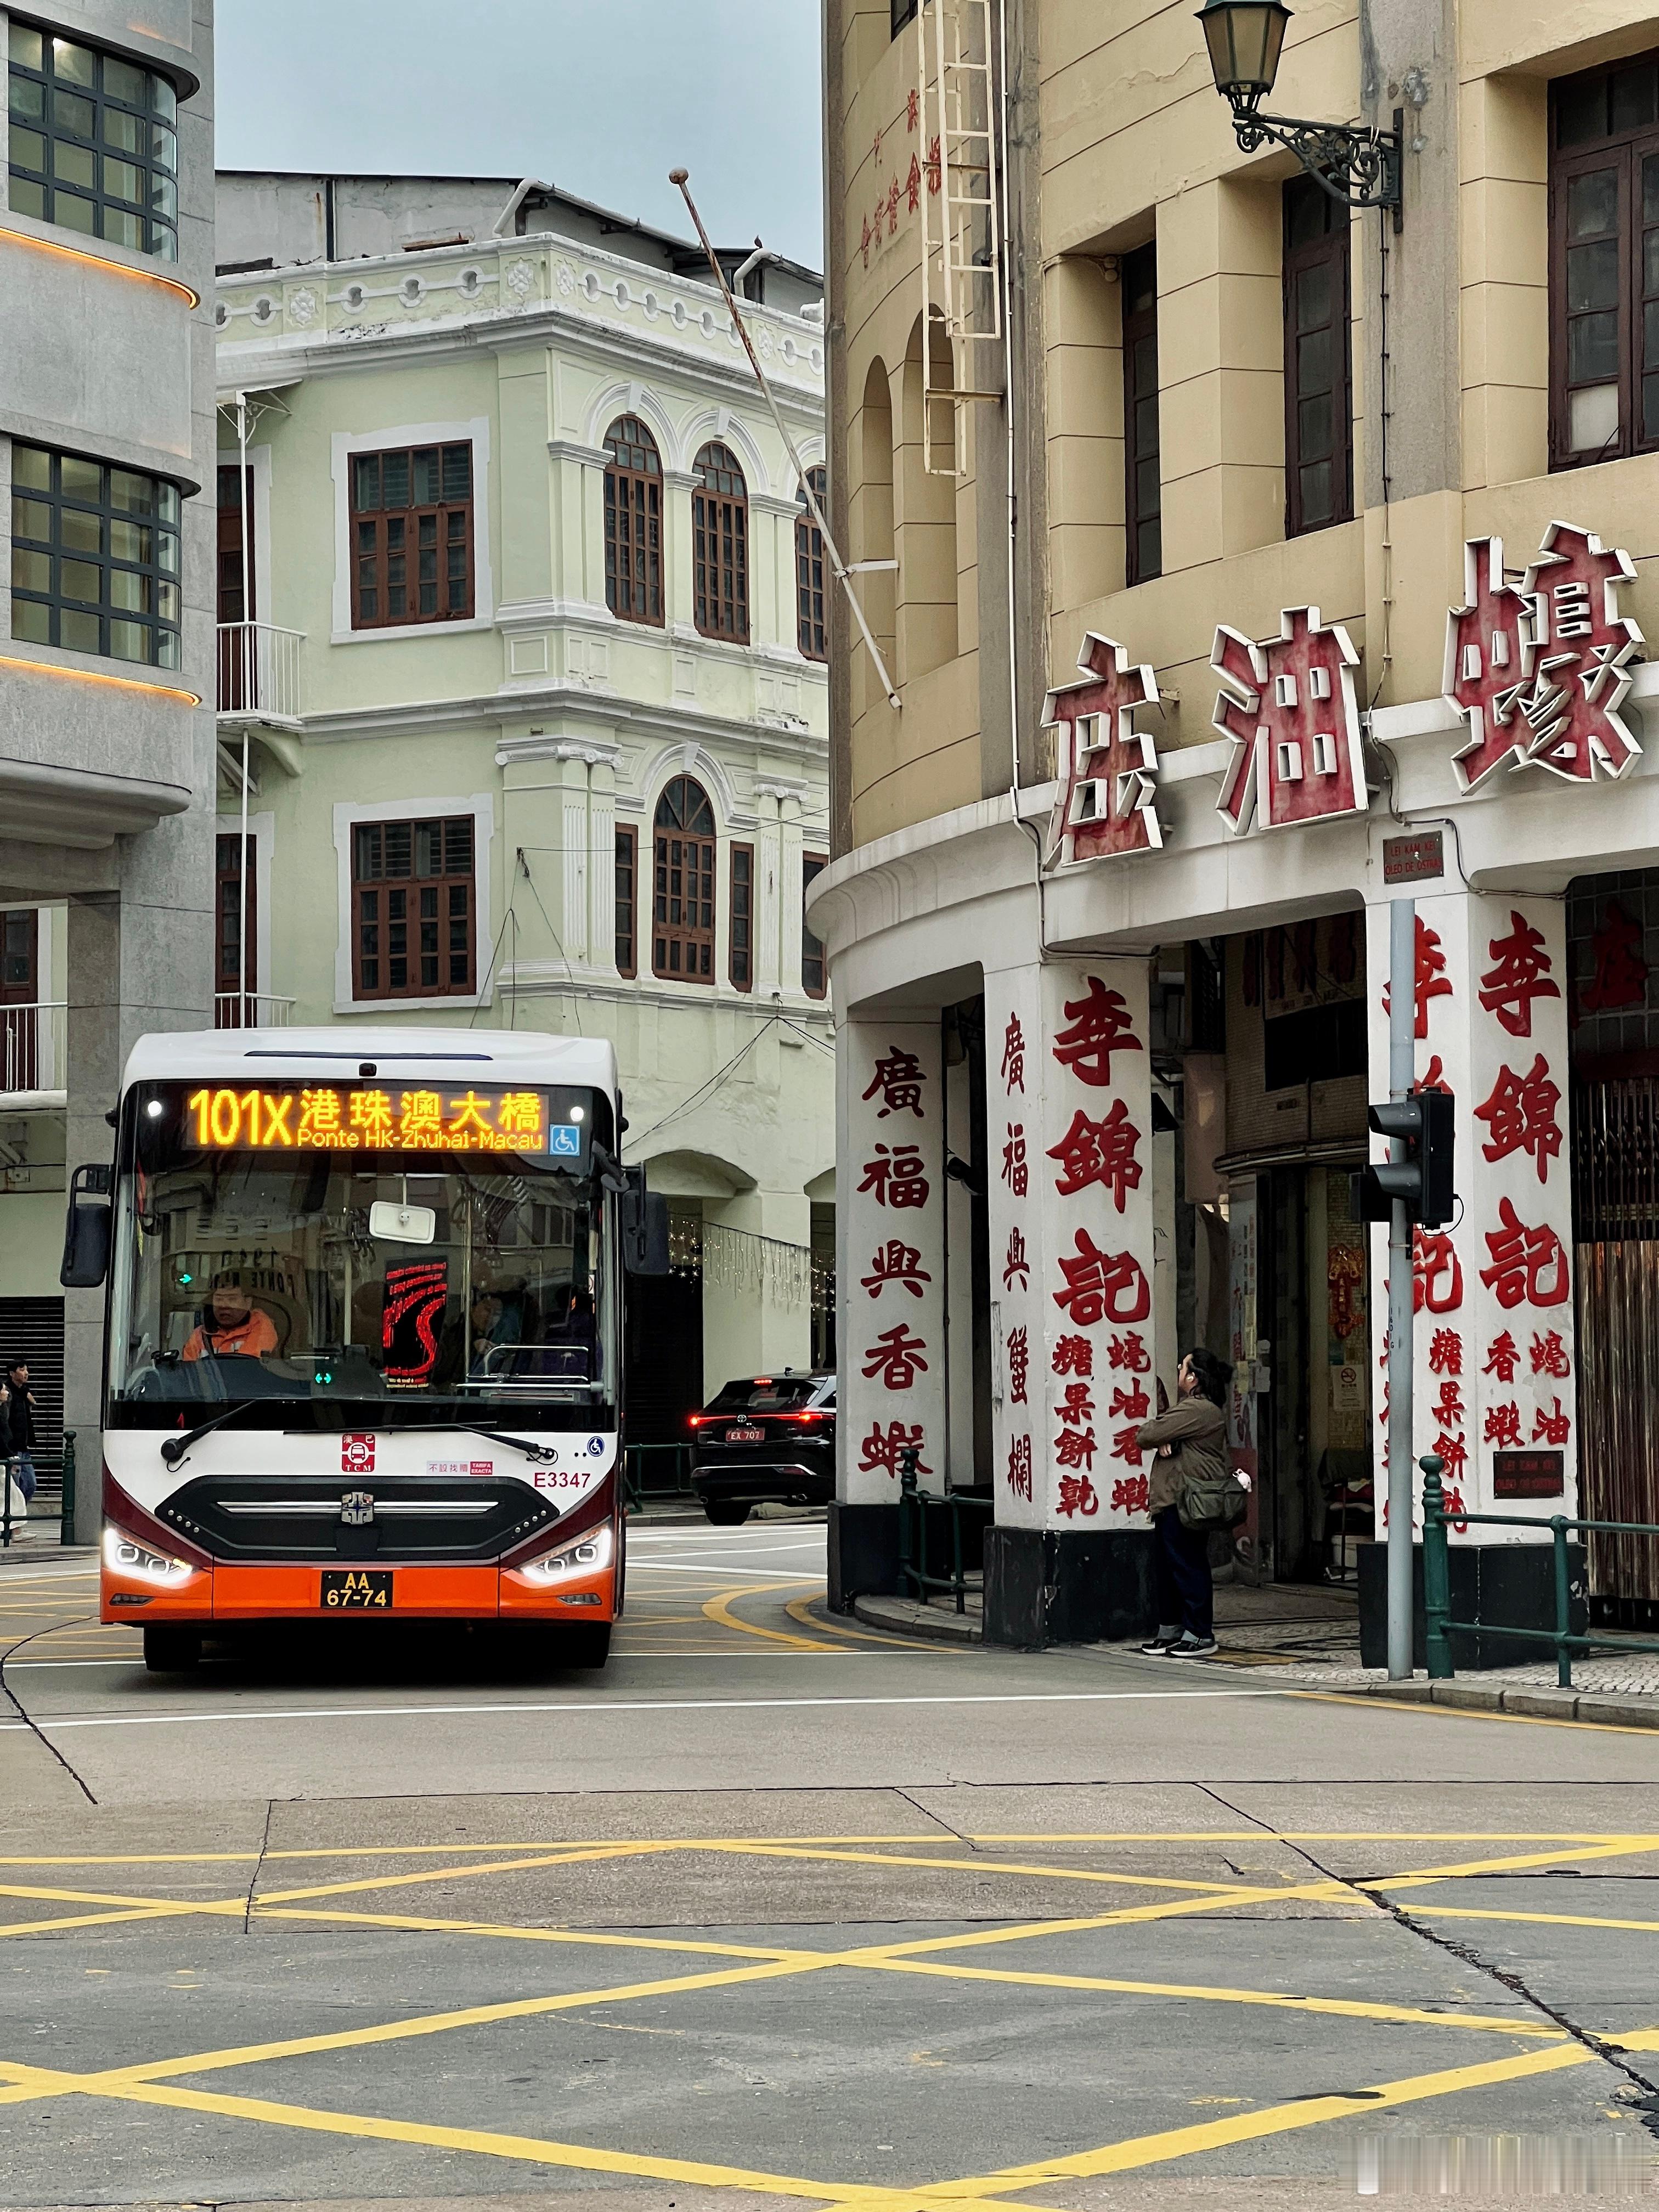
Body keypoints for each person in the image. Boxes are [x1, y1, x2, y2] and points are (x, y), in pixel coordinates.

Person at [1134, 1346, 1233, 1660]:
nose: (1179, 1371)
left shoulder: (1198, 1409)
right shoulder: (1193, 1411)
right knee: (1169, 1569)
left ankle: (1200, 1634)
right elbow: (1160, 1434)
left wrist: (1163, 1436)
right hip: (1173, 1500)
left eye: (1183, 1367)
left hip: (1187, 1502)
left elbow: (1146, 1434)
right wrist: (1167, 1437)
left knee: (1188, 1567)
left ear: (1194, 1377)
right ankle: (1172, 1630)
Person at [182, 1280, 279, 1362]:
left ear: (248, 1302)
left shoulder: (262, 1327)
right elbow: (189, 1372)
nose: (224, 1306)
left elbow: (249, 1367)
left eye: (232, 1299)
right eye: (219, 1299)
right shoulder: (200, 1335)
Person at [1, 1358, 38, 1533]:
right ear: (12, 1373)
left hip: (23, 1447)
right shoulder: (6, 1392)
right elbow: (4, 1421)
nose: (26, 1373)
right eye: (22, 1370)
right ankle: (11, 1527)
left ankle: (15, 1521)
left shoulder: (23, 1391)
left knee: (29, 1484)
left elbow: (33, 1405)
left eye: (27, 1370)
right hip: (11, 1448)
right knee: (12, 1490)